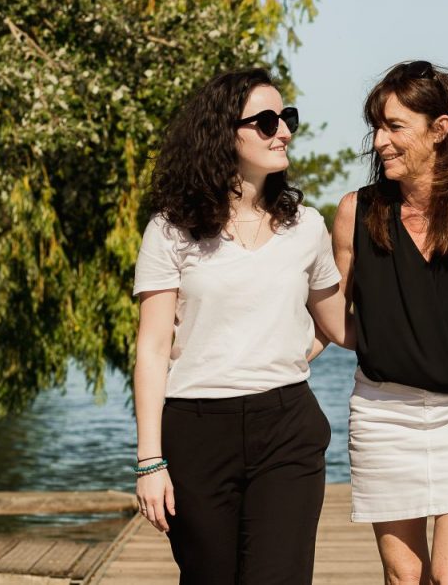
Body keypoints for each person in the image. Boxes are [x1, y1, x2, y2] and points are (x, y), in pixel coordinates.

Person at [131, 68, 346, 585]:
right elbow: (153, 348)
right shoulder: (171, 230)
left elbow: (337, 326)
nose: (284, 131)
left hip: (287, 427)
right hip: (196, 432)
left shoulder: (307, 227)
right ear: (225, 133)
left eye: (287, 118)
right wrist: (149, 462)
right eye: (267, 121)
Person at [331, 61, 448, 585]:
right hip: (383, 415)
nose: (380, 141)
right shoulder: (356, 211)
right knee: (405, 578)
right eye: (377, 127)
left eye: (395, 126)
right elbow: (332, 317)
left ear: (440, 129)